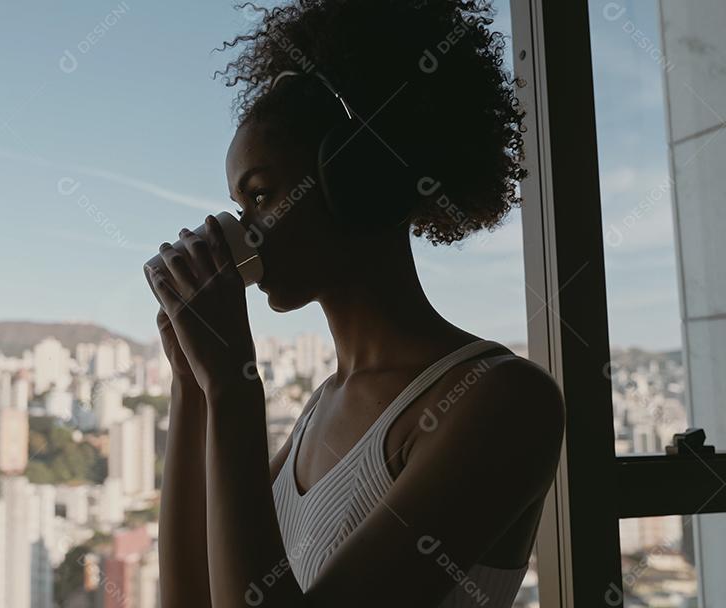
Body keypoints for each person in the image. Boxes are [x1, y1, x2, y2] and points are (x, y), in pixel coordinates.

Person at [147, 1, 565, 606]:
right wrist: (191, 382)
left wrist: (234, 390)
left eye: (262, 195)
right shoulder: (323, 409)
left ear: (357, 176)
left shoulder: (504, 401)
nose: (242, 229)